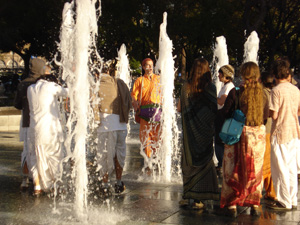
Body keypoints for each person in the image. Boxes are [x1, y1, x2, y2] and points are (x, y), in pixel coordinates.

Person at [220, 62, 266, 217]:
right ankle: (254, 204)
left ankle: (232, 204)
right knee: (255, 169)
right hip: (257, 137)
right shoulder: (263, 93)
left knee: (231, 169)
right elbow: (265, 117)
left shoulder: (236, 92)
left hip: (237, 135)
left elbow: (226, 112)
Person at [177, 58, 219, 209]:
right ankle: (200, 199)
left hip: (190, 134)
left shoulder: (185, 87)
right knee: (205, 163)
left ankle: (187, 195)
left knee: (188, 163)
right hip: (205, 133)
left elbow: (179, 108)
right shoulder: (211, 88)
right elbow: (213, 110)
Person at [95, 62, 131, 195]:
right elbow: (129, 102)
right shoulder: (120, 83)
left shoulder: (96, 85)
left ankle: (104, 184)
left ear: (96, 73)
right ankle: (119, 182)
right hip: (121, 125)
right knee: (119, 154)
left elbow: (91, 106)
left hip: (105, 126)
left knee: (104, 155)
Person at [27, 75, 68, 193]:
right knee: (55, 157)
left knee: (35, 158)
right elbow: (67, 92)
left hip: (34, 130)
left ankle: (37, 186)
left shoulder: (30, 88)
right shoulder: (50, 86)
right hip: (50, 130)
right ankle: (56, 185)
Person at [268, 60, 300, 210]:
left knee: (280, 166)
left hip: (280, 132)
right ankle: (293, 199)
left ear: (275, 75)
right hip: (294, 131)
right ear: (287, 73)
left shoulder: (276, 90)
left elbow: (274, 115)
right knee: (292, 167)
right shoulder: (296, 90)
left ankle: (283, 200)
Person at [14, 58, 46, 194]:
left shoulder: (23, 84)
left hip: (27, 122)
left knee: (27, 151)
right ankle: (40, 178)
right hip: (42, 122)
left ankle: (25, 179)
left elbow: (17, 105)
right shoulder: (44, 84)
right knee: (41, 151)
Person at [131, 58, 161, 160]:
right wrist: (136, 106)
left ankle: (157, 164)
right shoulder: (140, 80)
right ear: (143, 67)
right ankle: (148, 165)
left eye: (151, 65)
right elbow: (133, 96)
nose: (150, 67)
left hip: (157, 115)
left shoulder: (159, 79)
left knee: (157, 140)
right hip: (144, 114)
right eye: (147, 65)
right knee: (146, 140)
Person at [215, 65, 235, 175]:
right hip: (220, 116)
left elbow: (221, 101)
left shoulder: (228, 86)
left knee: (219, 140)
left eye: (220, 73)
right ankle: (221, 163)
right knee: (219, 140)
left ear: (225, 75)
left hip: (222, 117)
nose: (218, 75)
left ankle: (222, 163)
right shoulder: (225, 86)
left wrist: (211, 96)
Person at [260, 71, 277, 202]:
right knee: (270, 161)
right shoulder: (273, 93)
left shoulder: (264, 94)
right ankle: (271, 190)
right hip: (272, 131)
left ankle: (263, 191)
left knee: (264, 162)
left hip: (265, 130)